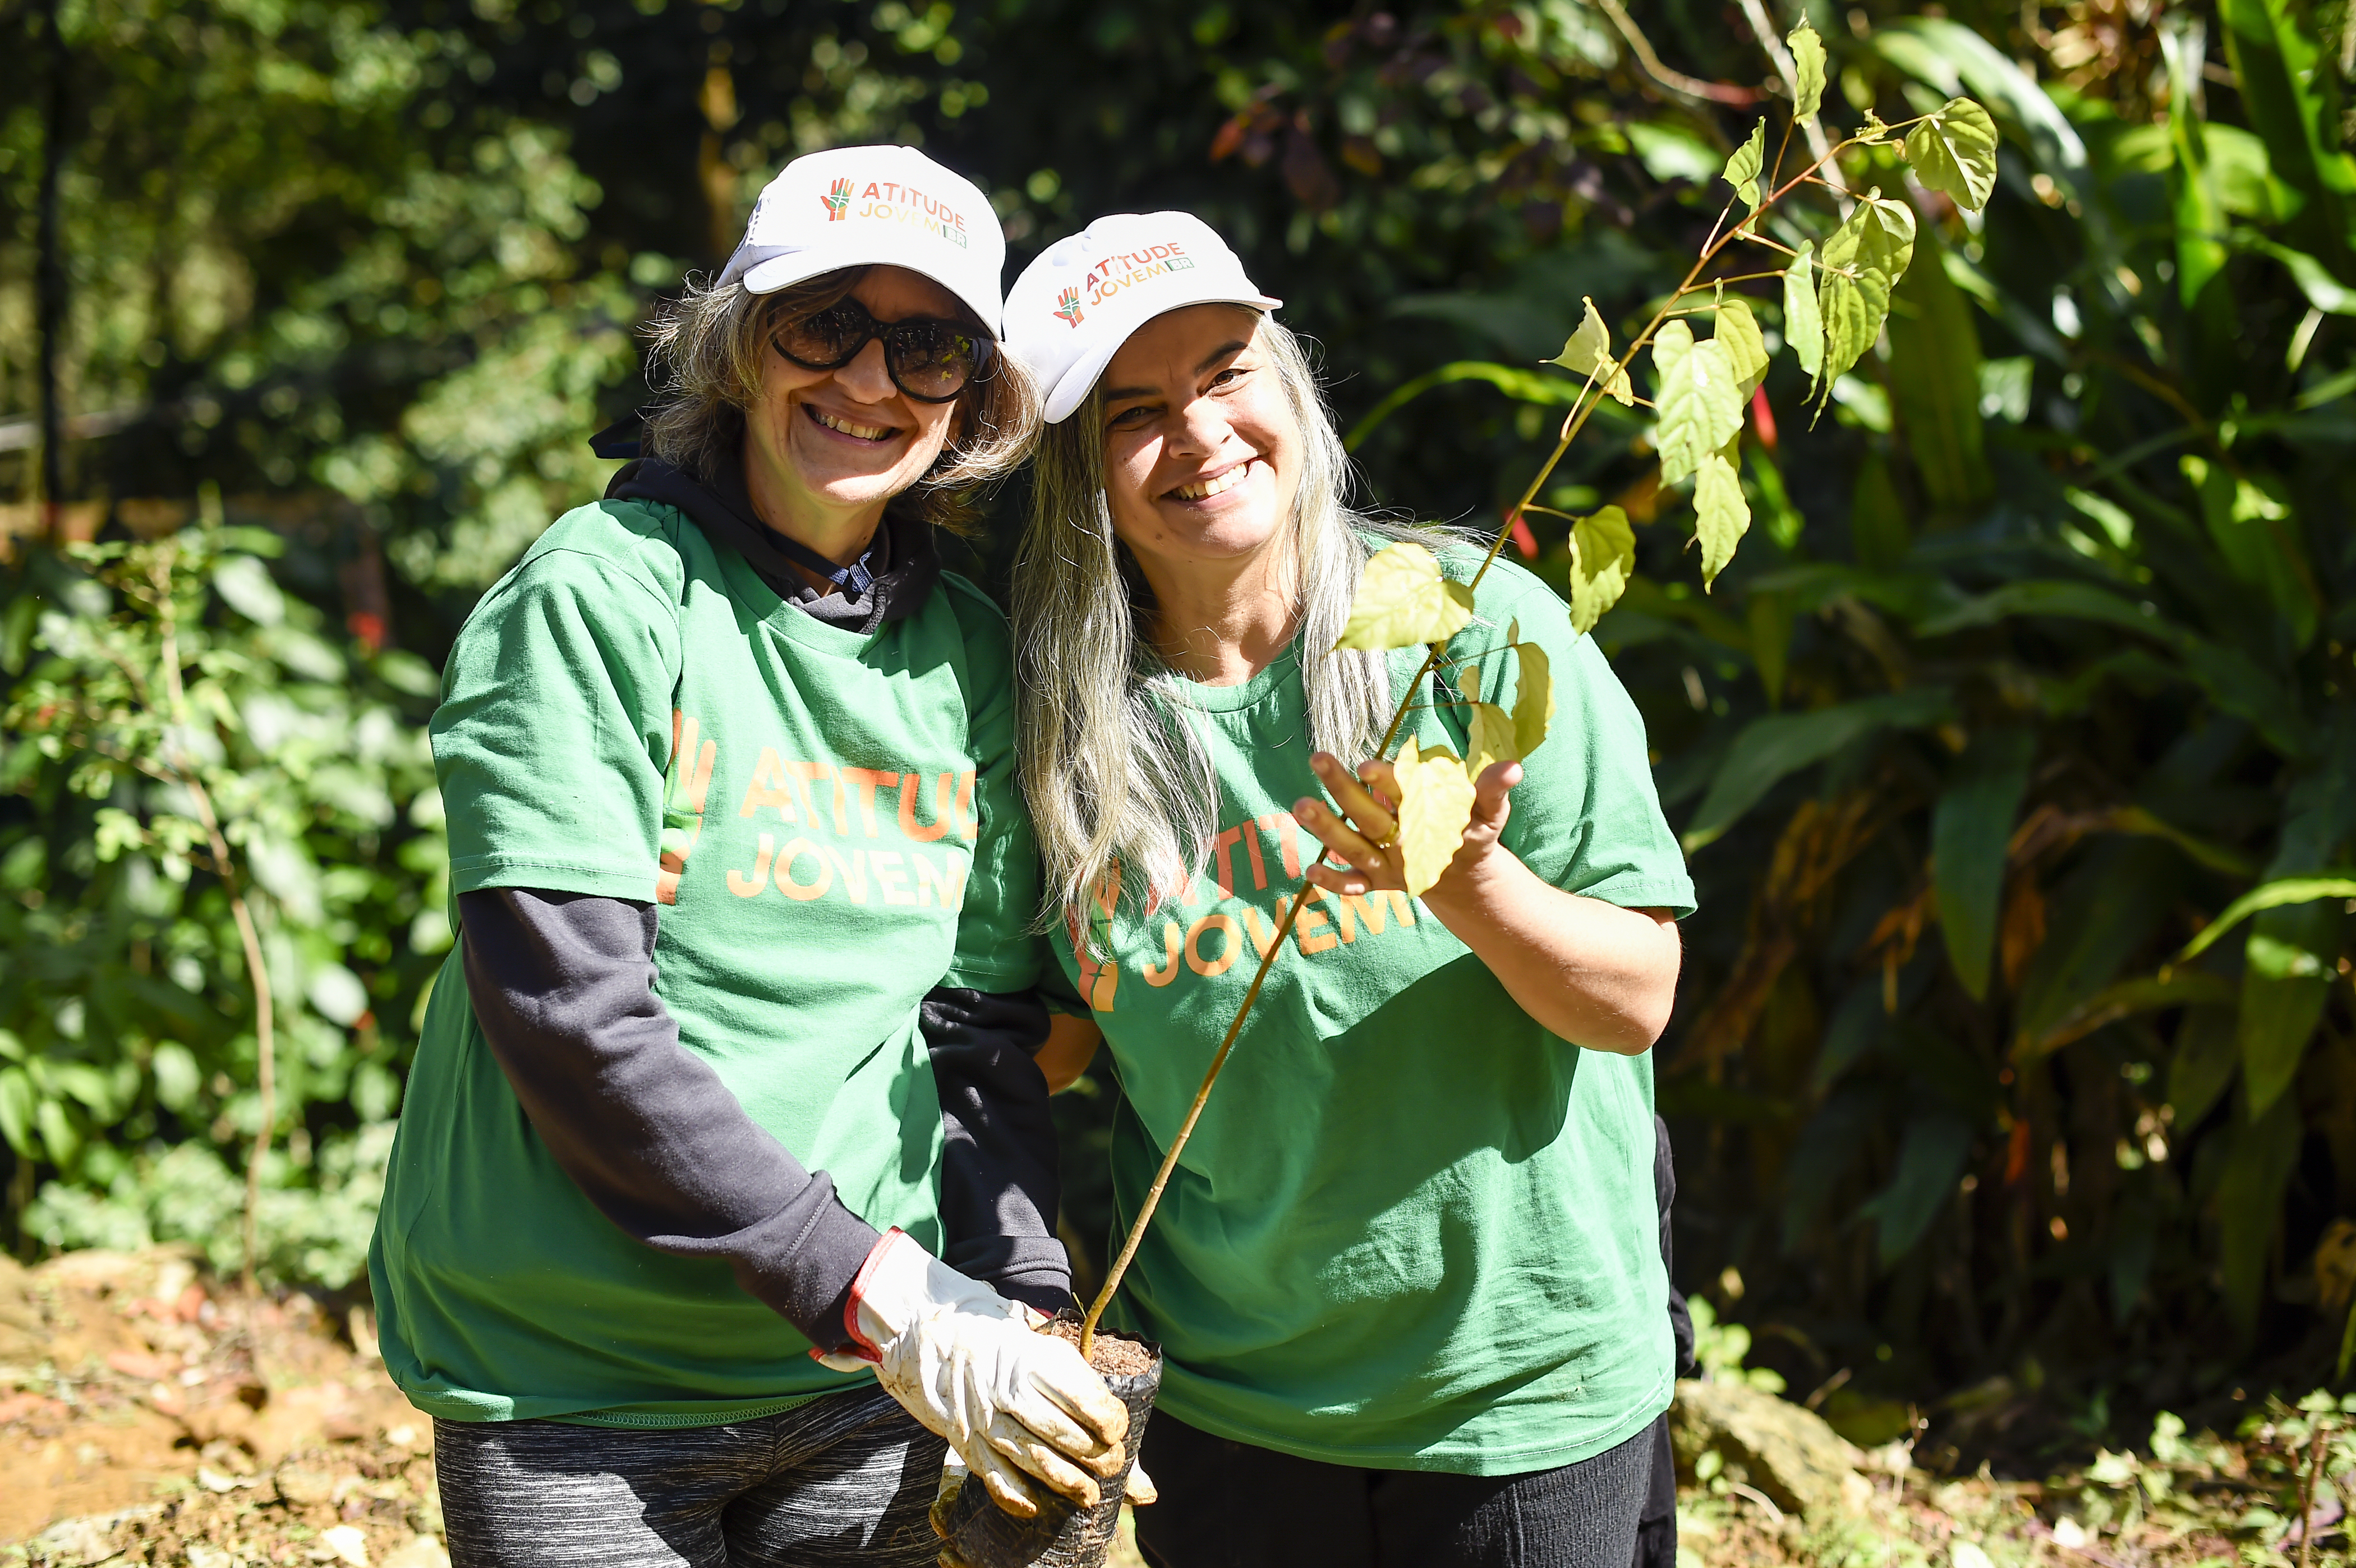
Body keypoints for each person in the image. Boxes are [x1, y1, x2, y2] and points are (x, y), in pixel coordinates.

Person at [368, 145, 1129, 1568]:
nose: (867, 381)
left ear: (974, 395)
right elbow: (574, 1018)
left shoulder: (964, 649)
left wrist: (1015, 1300)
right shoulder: (599, 600)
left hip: (866, 1385)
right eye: (822, 323)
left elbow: (971, 1029)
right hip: (578, 1387)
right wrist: (890, 1296)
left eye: (927, 346)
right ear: (736, 346)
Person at [1001, 213, 1696, 1568]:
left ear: (1290, 385)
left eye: (1224, 372)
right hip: (1230, 1412)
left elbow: (1637, 1002)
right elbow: (1048, 1050)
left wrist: (1471, 880)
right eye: (1134, 413)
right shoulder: (1049, 735)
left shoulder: (1473, 627)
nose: (1198, 433)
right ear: (1079, 476)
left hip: (1520, 1399)